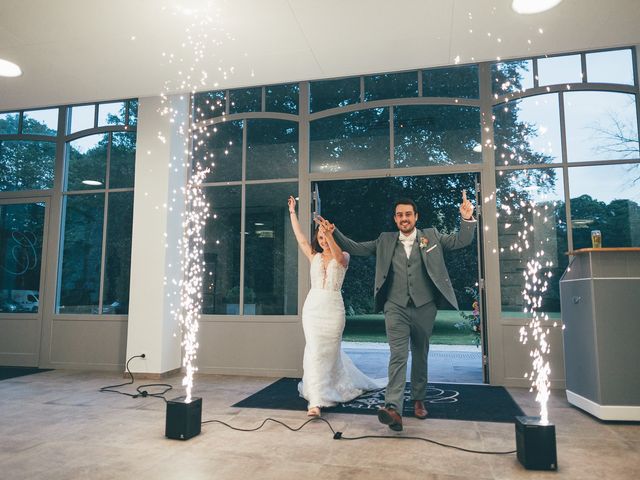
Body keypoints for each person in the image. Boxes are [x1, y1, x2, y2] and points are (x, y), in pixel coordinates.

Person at [320, 191, 476, 431]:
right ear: (395, 219)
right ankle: (393, 408)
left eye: (408, 214)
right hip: (395, 306)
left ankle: (419, 399)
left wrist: (466, 219)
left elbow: (461, 241)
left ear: (416, 217)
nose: (404, 218)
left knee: (421, 353)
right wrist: (334, 233)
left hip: (425, 306)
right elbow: (357, 248)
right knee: (398, 355)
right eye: (400, 215)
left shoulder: (431, 236)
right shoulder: (385, 240)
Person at [288, 196, 383, 417]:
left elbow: (338, 256)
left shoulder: (344, 257)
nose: (322, 240)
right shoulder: (314, 257)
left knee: (329, 353)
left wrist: (331, 235)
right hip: (312, 310)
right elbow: (301, 239)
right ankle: (316, 400)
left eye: (324, 236)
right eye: (319, 237)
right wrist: (293, 212)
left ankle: (331, 389)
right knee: (314, 352)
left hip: (333, 310)